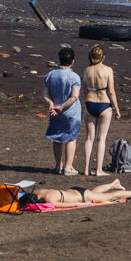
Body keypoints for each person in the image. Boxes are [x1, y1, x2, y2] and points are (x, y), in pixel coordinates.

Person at [81, 44, 121, 176]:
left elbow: (85, 90)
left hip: (90, 102)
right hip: (104, 104)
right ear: (103, 57)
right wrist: (116, 108)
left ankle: (86, 168)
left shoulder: (86, 70)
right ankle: (98, 169)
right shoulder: (108, 70)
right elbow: (111, 91)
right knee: (101, 138)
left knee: (89, 137)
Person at [43, 47, 81, 175]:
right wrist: (62, 107)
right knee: (71, 138)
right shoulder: (74, 76)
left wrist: (52, 103)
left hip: (55, 111)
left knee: (57, 138)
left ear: (59, 59)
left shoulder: (50, 75)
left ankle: (58, 166)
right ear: (73, 61)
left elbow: (46, 93)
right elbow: (74, 96)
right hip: (71, 112)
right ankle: (68, 167)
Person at [26, 178, 131, 209]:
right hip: (75, 191)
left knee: (112, 196)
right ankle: (113, 184)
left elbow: (69, 205)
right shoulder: (38, 191)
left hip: (83, 196)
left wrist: (85, 204)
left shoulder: (49, 199)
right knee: (95, 192)